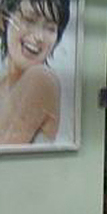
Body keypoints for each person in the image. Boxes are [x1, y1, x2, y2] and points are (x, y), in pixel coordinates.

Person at [0, 0, 69, 143]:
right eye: (29, 20)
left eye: (50, 28)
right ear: (4, 20)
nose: (38, 37)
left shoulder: (41, 79)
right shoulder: (3, 83)